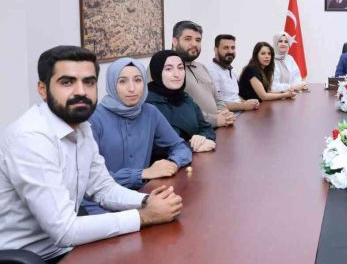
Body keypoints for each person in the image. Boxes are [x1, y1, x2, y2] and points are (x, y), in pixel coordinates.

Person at [0, 46, 182, 262]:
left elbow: (103, 188)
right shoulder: (31, 138)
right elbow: (65, 230)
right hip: (27, 257)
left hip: (69, 249)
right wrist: (144, 216)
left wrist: (148, 200)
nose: (81, 91)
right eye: (67, 82)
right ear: (42, 89)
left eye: (89, 82)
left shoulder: (82, 127)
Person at [83, 58, 192, 215]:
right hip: (100, 206)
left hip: (143, 197)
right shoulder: (94, 118)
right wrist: (142, 174)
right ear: (112, 84)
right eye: (122, 81)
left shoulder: (150, 112)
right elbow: (90, 181)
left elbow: (180, 147)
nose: (132, 88)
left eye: (138, 80)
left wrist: (173, 163)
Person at [146, 50, 217, 153]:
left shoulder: (186, 99)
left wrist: (202, 137)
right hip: (169, 161)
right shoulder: (148, 104)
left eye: (180, 68)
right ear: (157, 71)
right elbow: (154, 146)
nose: (177, 74)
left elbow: (206, 128)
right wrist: (191, 146)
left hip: (196, 158)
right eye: (168, 69)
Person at [172, 20, 234, 128]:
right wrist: (214, 120)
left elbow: (218, 99)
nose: (194, 44)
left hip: (220, 128)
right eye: (188, 39)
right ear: (175, 41)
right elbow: (175, 110)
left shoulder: (202, 67)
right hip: (194, 135)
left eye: (198, 40)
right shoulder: (165, 70)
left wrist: (226, 115)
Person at [206, 34, 260, 114]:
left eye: (233, 48)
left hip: (241, 114)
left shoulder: (231, 69)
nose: (230, 51)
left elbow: (234, 96)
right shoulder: (212, 71)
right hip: (229, 118)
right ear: (216, 50)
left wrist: (248, 103)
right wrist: (244, 105)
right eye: (226, 48)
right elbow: (216, 104)